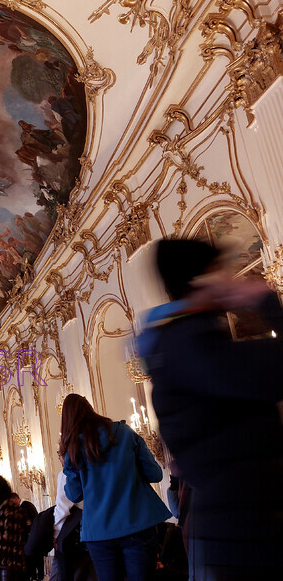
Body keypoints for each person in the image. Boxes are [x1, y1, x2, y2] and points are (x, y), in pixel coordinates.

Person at [139, 238, 283, 580]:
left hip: (241, 523)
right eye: (220, 271)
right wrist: (264, 301)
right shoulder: (190, 346)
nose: (230, 279)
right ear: (201, 281)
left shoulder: (183, 343)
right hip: (247, 527)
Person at [59, 394, 170, 581]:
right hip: (137, 523)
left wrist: (68, 466)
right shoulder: (124, 432)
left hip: (99, 533)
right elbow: (155, 474)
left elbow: (74, 494)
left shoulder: (74, 450)